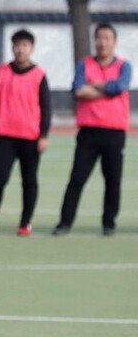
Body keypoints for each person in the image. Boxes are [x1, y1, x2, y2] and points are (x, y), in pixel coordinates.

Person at [53, 23, 131, 236]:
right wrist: (106, 88)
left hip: (115, 132)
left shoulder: (124, 65)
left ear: (114, 42)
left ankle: (109, 223)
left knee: (113, 180)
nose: (102, 42)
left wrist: (95, 86)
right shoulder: (84, 64)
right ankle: (64, 223)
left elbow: (120, 87)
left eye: (107, 38)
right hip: (88, 131)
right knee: (77, 179)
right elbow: (78, 89)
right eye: (99, 38)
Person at [0, 29, 51, 237]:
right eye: (17, 45)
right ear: (12, 47)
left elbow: (46, 107)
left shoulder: (39, 75)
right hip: (4, 136)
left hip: (30, 136)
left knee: (29, 181)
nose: (21, 50)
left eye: (25, 46)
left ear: (32, 48)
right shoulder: (1, 72)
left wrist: (44, 135)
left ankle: (25, 222)